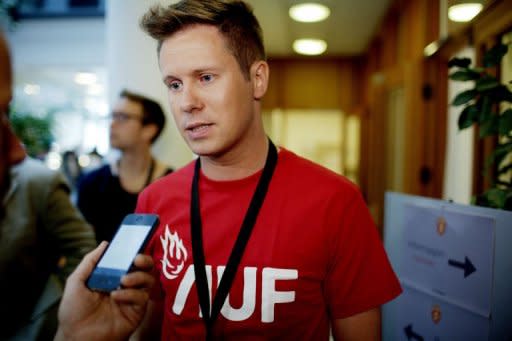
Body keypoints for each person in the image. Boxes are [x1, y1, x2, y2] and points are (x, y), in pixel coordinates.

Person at [57, 1, 402, 340]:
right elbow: (150, 327)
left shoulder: (335, 201)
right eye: (174, 84)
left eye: (205, 77)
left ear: (258, 79)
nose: (187, 102)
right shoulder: (155, 199)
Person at [0, 31, 97, 340]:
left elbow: (81, 247)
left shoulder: (37, 182)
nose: (18, 150)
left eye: (6, 113)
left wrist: (48, 316)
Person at [76, 89, 173, 244]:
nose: (112, 124)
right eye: (112, 116)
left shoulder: (174, 185)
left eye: (122, 117)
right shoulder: (92, 183)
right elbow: (82, 245)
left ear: (149, 130)